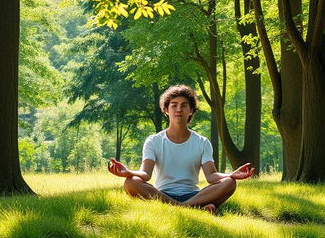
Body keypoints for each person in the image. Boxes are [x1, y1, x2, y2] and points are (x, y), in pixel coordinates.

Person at [107, 84, 254, 213]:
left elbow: (211, 176)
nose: (179, 109)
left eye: (184, 105)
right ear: (166, 110)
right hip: (161, 194)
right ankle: (193, 208)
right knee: (130, 182)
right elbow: (145, 174)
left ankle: (179, 206)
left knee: (229, 183)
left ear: (191, 111)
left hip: (194, 195)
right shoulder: (154, 141)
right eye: (174, 105)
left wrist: (232, 174)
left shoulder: (202, 142)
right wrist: (127, 172)